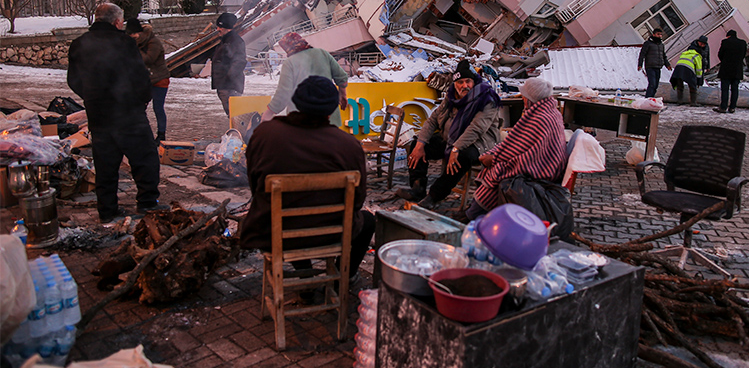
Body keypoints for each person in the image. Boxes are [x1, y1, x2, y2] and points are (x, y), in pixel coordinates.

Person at [240, 76, 375, 282]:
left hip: (274, 234)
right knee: (368, 221)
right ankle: (344, 277)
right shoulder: (348, 145)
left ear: (296, 102)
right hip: (333, 235)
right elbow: (357, 200)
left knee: (285, 214)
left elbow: (255, 186)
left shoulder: (265, 134)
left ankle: (305, 275)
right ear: (332, 109)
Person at [67, 3, 165, 223]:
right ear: (117, 22)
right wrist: (140, 102)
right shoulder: (124, 43)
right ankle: (148, 203)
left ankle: (107, 210)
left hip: (98, 114)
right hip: (128, 112)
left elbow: (73, 80)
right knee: (145, 158)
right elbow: (140, 77)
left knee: (105, 163)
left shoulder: (79, 44)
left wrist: (91, 97)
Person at [400, 60, 501, 208]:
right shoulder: (452, 96)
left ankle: (434, 196)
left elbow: (477, 128)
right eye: (460, 82)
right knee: (416, 144)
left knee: (461, 158)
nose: (464, 86)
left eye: (468, 81)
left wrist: (456, 148)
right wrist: (421, 143)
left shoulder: (487, 98)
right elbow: (433, 119)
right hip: (450, 138)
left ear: (473, 81)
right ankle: (417, 188)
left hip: (478, 143)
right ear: (454, 83)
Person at [466, 78, 567, 221]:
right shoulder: (549, 111)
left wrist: (493, 158)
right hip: (543, 163)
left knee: (498, 170)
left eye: (525, 96)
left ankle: (474, 215)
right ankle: (475, 212)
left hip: (541, 169)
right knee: (495, 164)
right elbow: (516, 144)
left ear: (530, 98)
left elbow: (522, 151)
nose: (523, 99)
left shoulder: (539, 118)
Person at [261, 32, 349, 126]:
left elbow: (283, 93)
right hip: (329, 119)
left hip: (302, 122)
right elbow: (341, 76)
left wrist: (270, 112)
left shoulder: (290, 63)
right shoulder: (322, 53)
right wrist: (342, 94)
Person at [126, 18, 170, 142]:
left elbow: (148, 59)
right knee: (139, 107)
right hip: (145, 80)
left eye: (132, 35)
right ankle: (139, 133)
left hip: (159, 79)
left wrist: (134, 48)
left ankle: (161, 135)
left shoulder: (153, 42)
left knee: (158, 107)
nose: (131, 37)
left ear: (138, 33)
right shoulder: (138, 42)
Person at [211, 13, 246, 117]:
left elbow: (239, 61)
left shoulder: (234, 41)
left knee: (235, 115)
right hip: (224, 85)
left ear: (227, 28)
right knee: (232, 115)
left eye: (220, 27)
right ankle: (237, 131)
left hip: (230, 86)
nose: (218, 29)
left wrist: (228, 77)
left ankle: (241, 132)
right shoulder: (226, 40)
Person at [714, 30, 748, 114]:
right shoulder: (742, 43)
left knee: (725, 89)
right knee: (735, 89)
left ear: (728, 36)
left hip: (726, 69)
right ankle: (732, 107)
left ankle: (723, 107)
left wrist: (725, 61)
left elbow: (720, 54)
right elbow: (743, 55)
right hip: (737, 70)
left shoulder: (725, 42)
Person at [669, 39, 705, 106]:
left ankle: (679, 100)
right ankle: (693, 102)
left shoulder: (685, 53)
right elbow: (699, 70)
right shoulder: (697, 56)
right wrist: (698, 80)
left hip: (678, 68)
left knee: (679, 84)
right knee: (692, 85)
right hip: (688, 69)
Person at [637, 29, 671, 98]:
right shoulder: (648, 43)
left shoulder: (661, 45)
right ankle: (648, 97)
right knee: (652, 83)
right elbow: (642, 54)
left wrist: (667, 65)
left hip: (658, 67)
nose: (660, 36)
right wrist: (640, 64)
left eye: (661, 34)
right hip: (650, 66)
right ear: (654, 34)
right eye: (658, 34)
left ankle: (651, 97)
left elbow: (663, 56)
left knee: (656, 85)